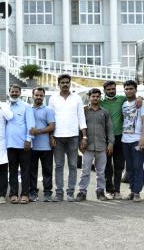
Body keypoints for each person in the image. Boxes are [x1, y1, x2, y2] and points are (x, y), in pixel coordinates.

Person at [48, 74, 87, 202]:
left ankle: (70, 193)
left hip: (73, 136)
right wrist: (51, 135)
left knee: (72, 165)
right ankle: (59, 193)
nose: (65, 84)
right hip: (58, 137)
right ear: (58, 84)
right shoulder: (53, 99)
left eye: (67, 82)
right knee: (59, 165)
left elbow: (81, 118)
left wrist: (84, 136)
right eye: (62, 82)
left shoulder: (77, 98)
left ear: (70, 84)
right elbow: (50, 119)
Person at [76, 88, 114, 202]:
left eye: (97, 96)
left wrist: (111, 143)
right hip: (87, 147)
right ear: (89, 97)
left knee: (101, 172)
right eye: (93, 96)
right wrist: (79, 143)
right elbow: (79, 127)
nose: (95, 98)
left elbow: (110, 129)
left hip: (102, 146)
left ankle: (100, 192)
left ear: (100, 97)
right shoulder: (83, 111)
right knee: (85, 171)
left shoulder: (104, 112)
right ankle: (82, 192)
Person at [6, 85, 34, 204]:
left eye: (16, 92)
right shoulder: (5, 106)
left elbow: (31, 125)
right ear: (9, 92)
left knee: (25, 170)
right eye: (12, 91)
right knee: (12, 171)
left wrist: (28, 139)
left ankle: (25, 194)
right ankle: (13, 194)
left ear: (20, 93)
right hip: (10, 144)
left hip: (24, 144)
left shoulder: (26, 107)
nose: (14, 93)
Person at [121, 80, 144, 202]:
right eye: (126, 89)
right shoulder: (124, 104)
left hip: (137, 139)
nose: (128, 91)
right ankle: (132, 191)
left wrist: (143, 138)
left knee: (138, 166)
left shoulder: (142, 103)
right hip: (125, 140)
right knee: (130, 167)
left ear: (135, 90)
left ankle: (137, 192)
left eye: (131, 88)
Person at [29, 87, 55, 202]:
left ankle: (48, 192)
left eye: (41, 95)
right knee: (32, 170)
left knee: (47, 170)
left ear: (43, 97)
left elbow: (52, 126)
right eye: (36, 95)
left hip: (46, 146)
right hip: (31, 146)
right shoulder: (28, 109)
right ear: (32, 96)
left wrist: (38, 132)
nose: (38, 97)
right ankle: (32, 191)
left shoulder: (48, 110)